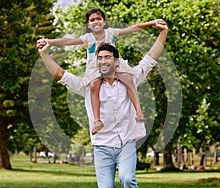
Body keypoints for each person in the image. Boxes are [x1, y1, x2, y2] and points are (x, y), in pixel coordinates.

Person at [37, 19, 168, 188]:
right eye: (100, 58)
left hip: (126, 143)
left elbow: (150, 59)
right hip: (102, 146)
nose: (104, 61)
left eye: (108, 57)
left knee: (127, 179)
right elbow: (61, 75)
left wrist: (163, 32)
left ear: (116, 62)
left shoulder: (131, 79)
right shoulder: (88, 87)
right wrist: (44, 54)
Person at [37, 8, 160, 135]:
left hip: (115, 66)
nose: (96, 22)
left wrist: (152, 23)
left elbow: (133, 28)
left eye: (98, 19)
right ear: (88, 25)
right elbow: (68, 41)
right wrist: (50, 42)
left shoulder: (111, 33)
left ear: (104, 22)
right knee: (94, 85)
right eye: (92, 20)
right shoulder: (88, 38)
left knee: (129, 80)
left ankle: (138, 112)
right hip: (95, 69)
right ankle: (97, 121)